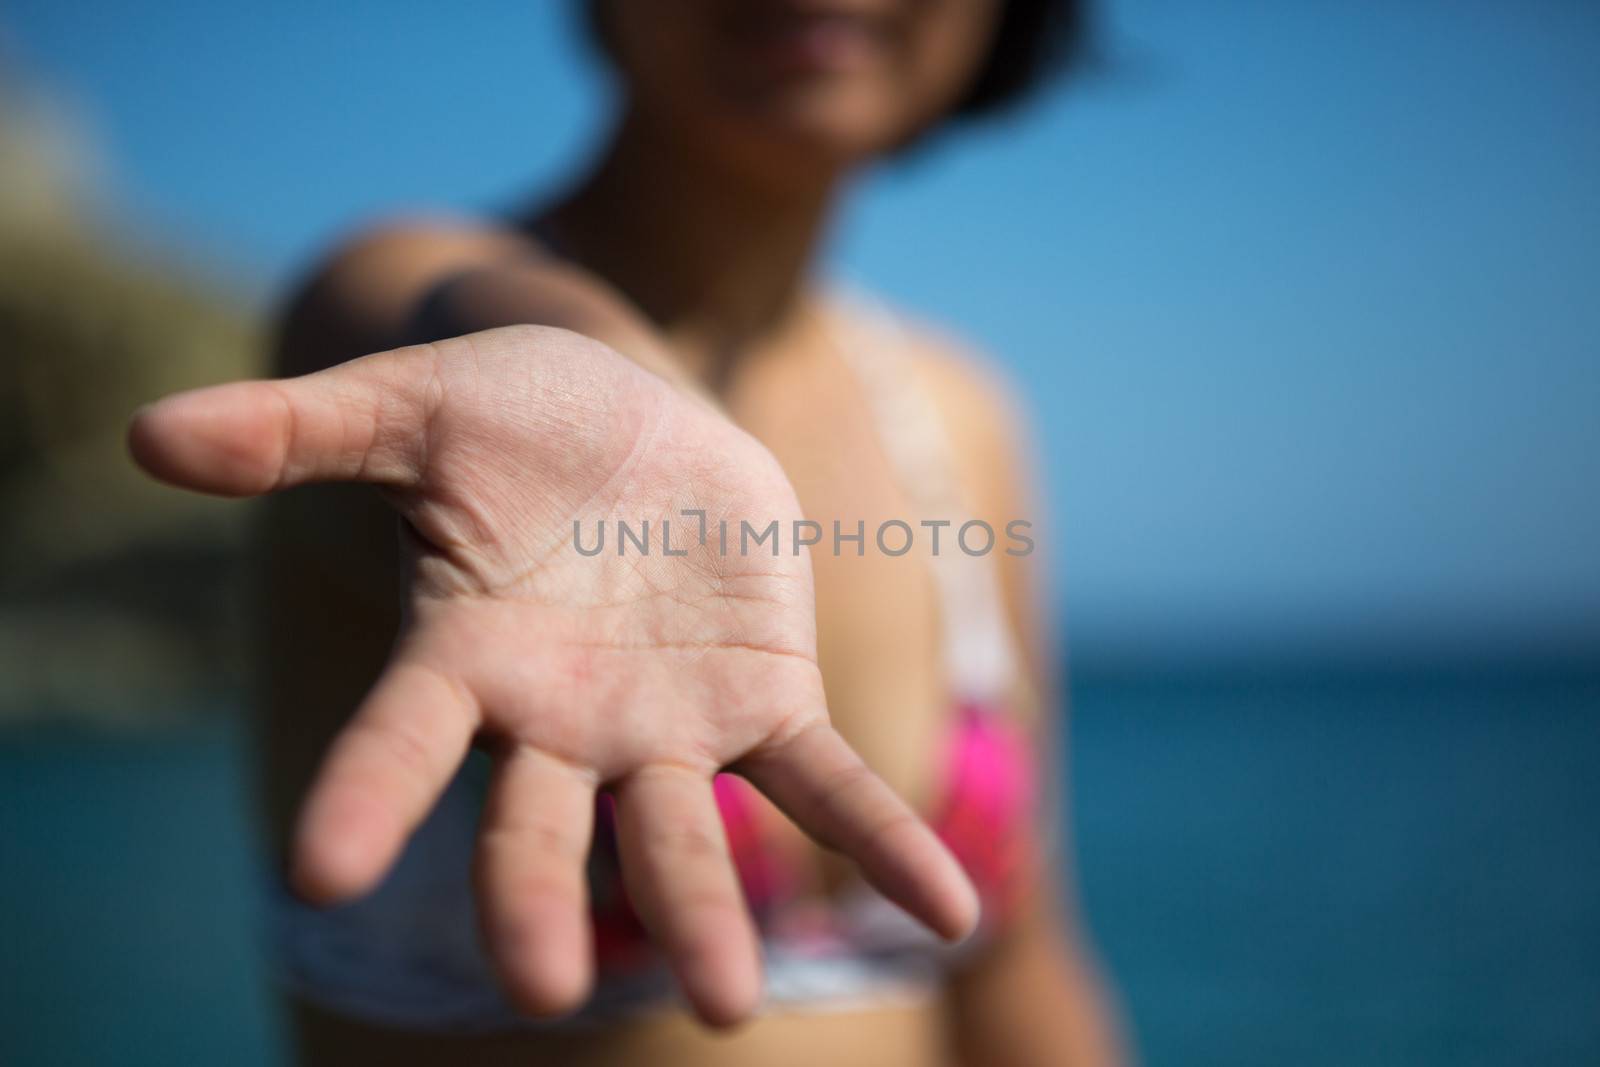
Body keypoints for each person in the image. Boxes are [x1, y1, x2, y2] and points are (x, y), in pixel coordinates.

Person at [129, 1, 1126, 1063]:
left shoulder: (957, 414)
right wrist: (591, 370)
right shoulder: (386, 300)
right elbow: (460, 307)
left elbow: (1017, 961)